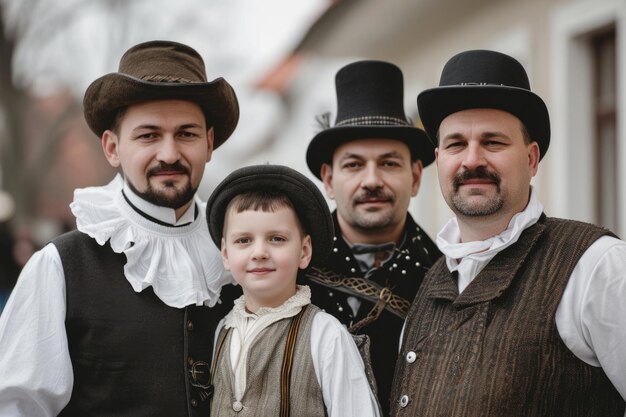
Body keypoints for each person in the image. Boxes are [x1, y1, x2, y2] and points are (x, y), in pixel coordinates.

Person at [0, 40, 240, 417]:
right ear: (112, 148)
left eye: (186, 134)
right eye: (148, 135)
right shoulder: (60, 267)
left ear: (209, 144)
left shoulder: (240, 254)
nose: (169, 154)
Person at [391, 49, 626, 416]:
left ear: (531, 159)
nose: (472, 160)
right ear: (439, 160)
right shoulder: (429, 285)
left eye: (493, 142)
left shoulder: (596, 266)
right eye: (456, 144)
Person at [303, 59, 442, 415]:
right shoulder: (288, 272)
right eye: (353, 165)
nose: (372, 180)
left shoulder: (449, 279)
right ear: (329, 180)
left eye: (389, 163)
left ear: (415, 177)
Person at [205, 164, 381, 417]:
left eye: (277, 238)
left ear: (304, 251)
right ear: (225, 253)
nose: (259, 253)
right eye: (244, 240)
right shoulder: (223, 329)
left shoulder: (325, 334)